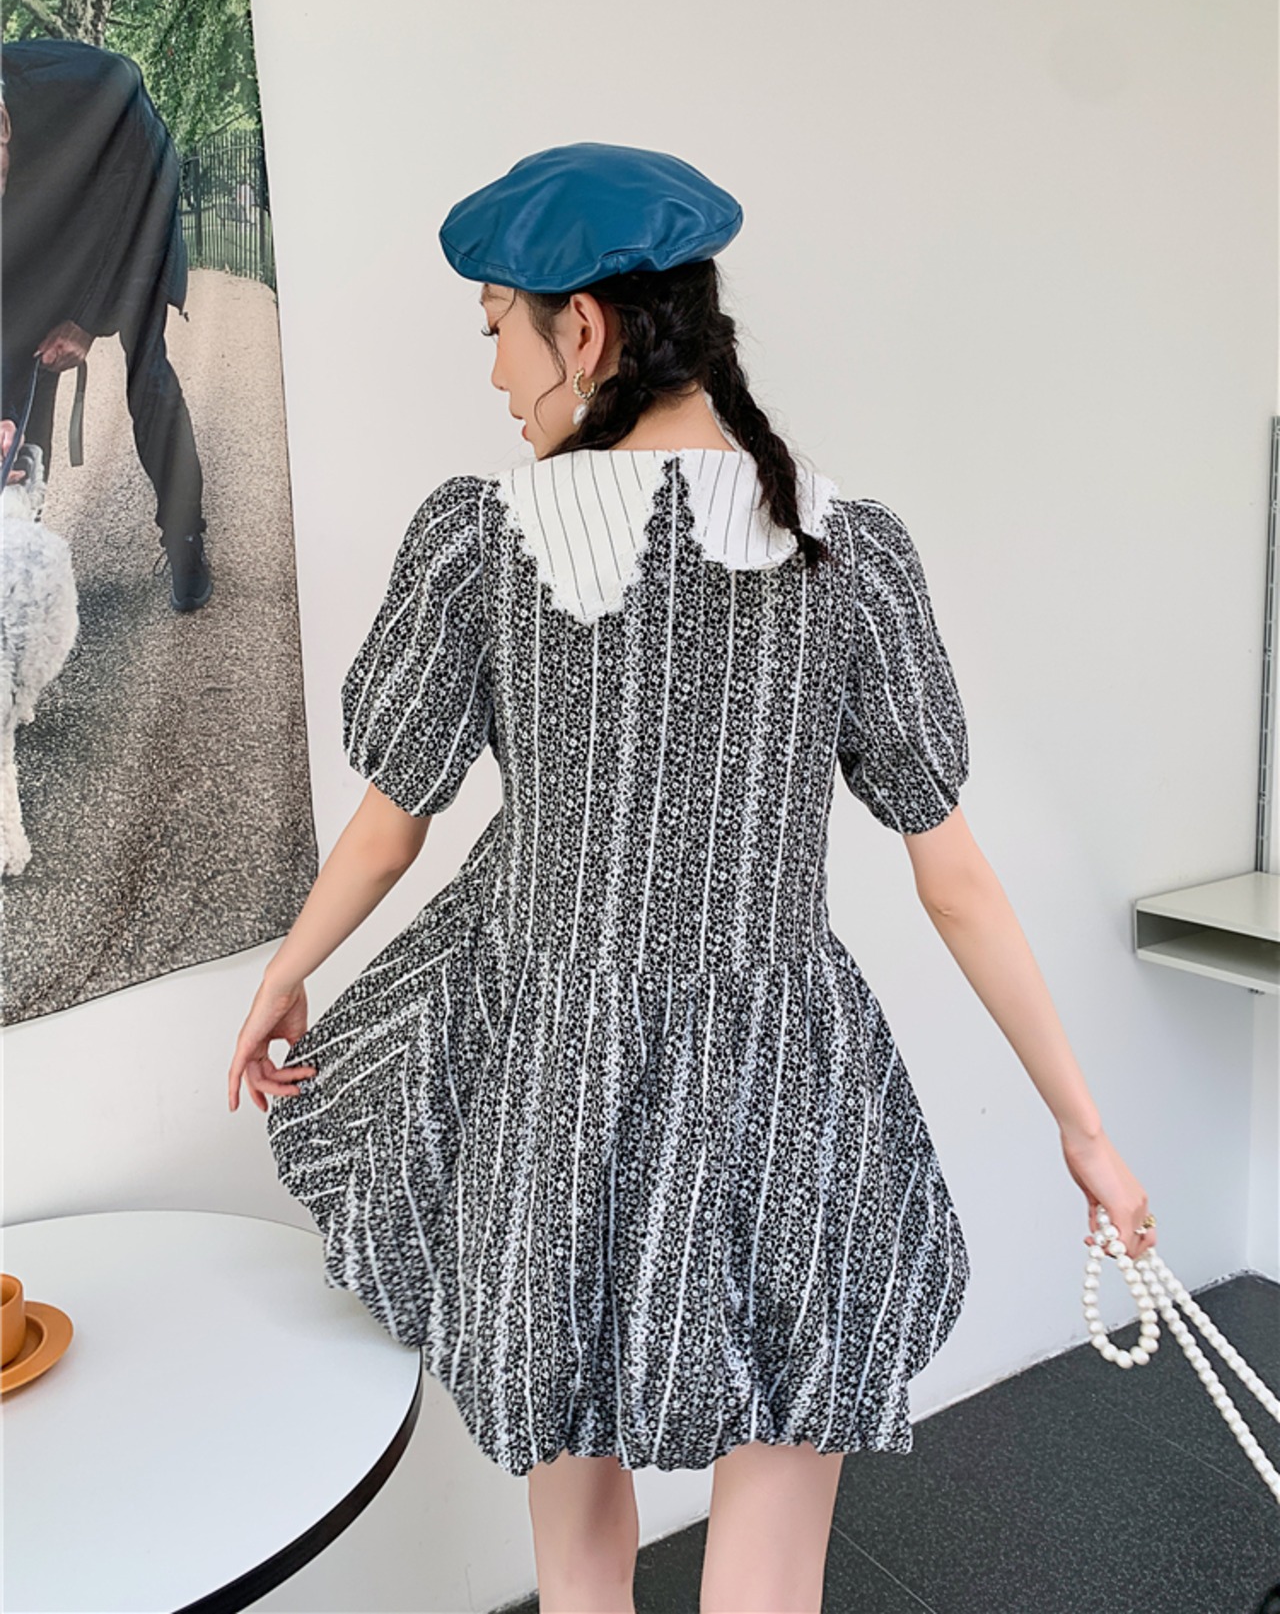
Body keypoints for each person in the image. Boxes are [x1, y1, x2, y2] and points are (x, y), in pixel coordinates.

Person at [227, 142, 1156, 1614]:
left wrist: (290, 974)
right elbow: (957, 880)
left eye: (497, 329)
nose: (493, 373)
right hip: (783, 1088)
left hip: (549, 1079)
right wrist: (1085, 1131)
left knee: (572, 1524)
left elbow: (394, 825)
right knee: (772, 1549)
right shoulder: (849, 555)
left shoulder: (481, 546)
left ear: (583, 329)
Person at [0, 39, 211, 612]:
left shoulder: (94, 84)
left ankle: (185, 537)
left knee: (148, 372)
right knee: (15, 380)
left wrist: (89, 320)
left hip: (135, 205)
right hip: (47, 224)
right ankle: (18, 549)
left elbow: (138, 198)